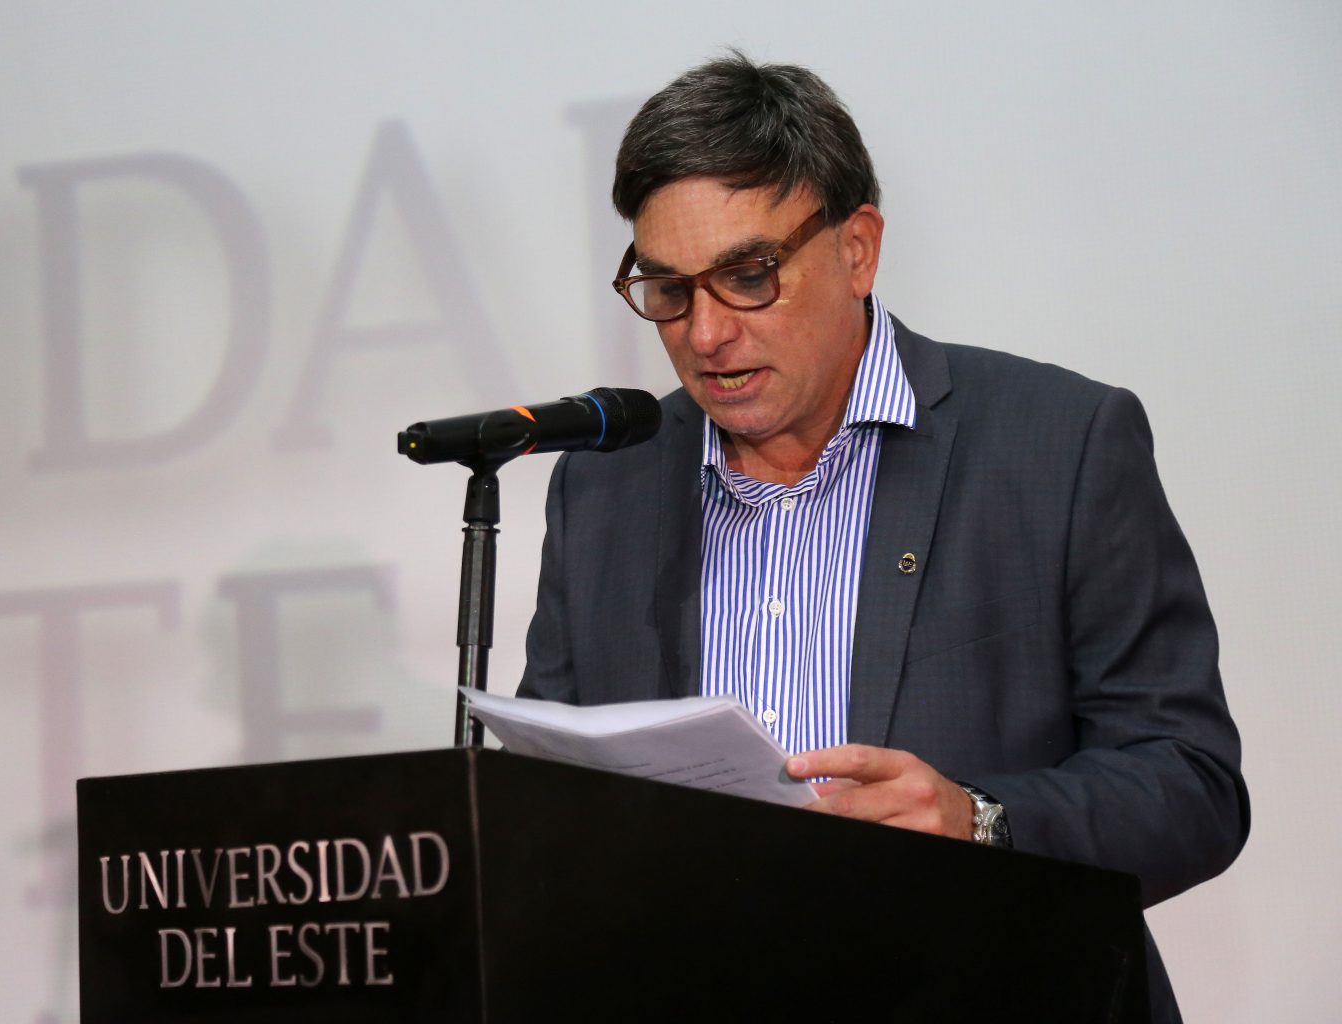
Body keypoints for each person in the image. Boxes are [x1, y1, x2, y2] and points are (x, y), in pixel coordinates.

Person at [517, 52, 1247, 1021]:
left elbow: (1191, 783)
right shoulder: (607, 485)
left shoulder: (1059, 442)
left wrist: (980, 821)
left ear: (857, 249)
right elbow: (541, 796)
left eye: (747, 276)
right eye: (668, 289)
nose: (704, 333)